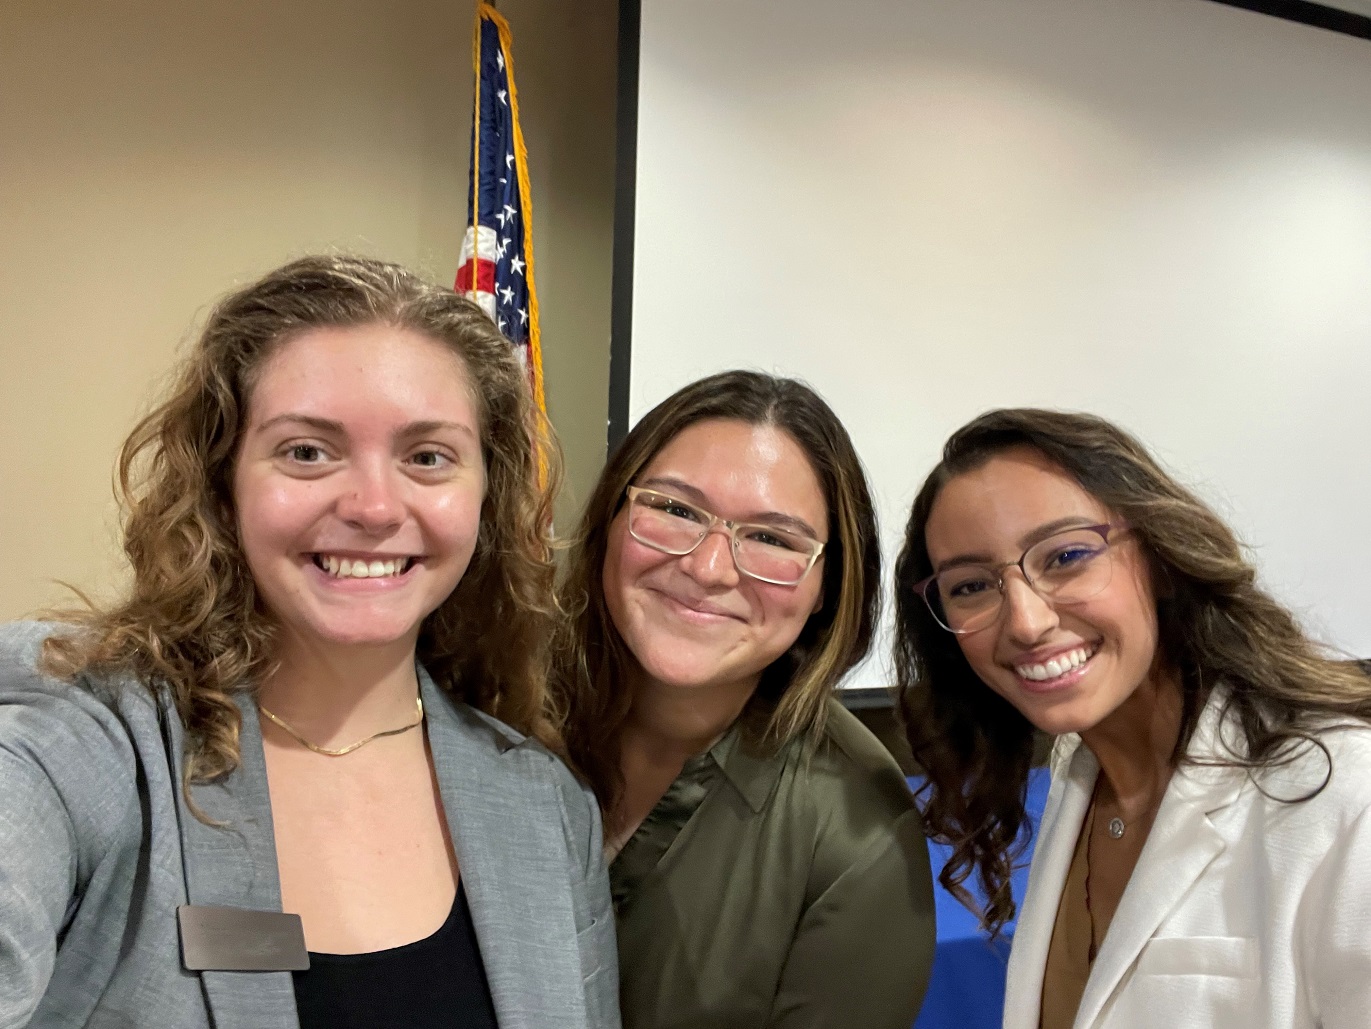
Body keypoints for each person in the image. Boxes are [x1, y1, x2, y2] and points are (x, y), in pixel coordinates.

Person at [0, 255, 618, 1029]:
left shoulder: (544, 805)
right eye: (306, 451)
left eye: (427, 457)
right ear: (223, 481)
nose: (373, 507)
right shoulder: (89, 734)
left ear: (486, 496)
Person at [892, 408, 1371, 1029]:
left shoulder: (1347, 798)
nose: (1027, 623)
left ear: (1160, 557)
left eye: (1066, 555)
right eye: (971, 586)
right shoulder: (1080, 773)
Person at [551, 370, 935, 1029]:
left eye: (772, 539)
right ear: (611, 515)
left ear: (829, 586)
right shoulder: (488, 703)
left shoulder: (859, 837)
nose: (707, 568)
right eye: (675, 510)